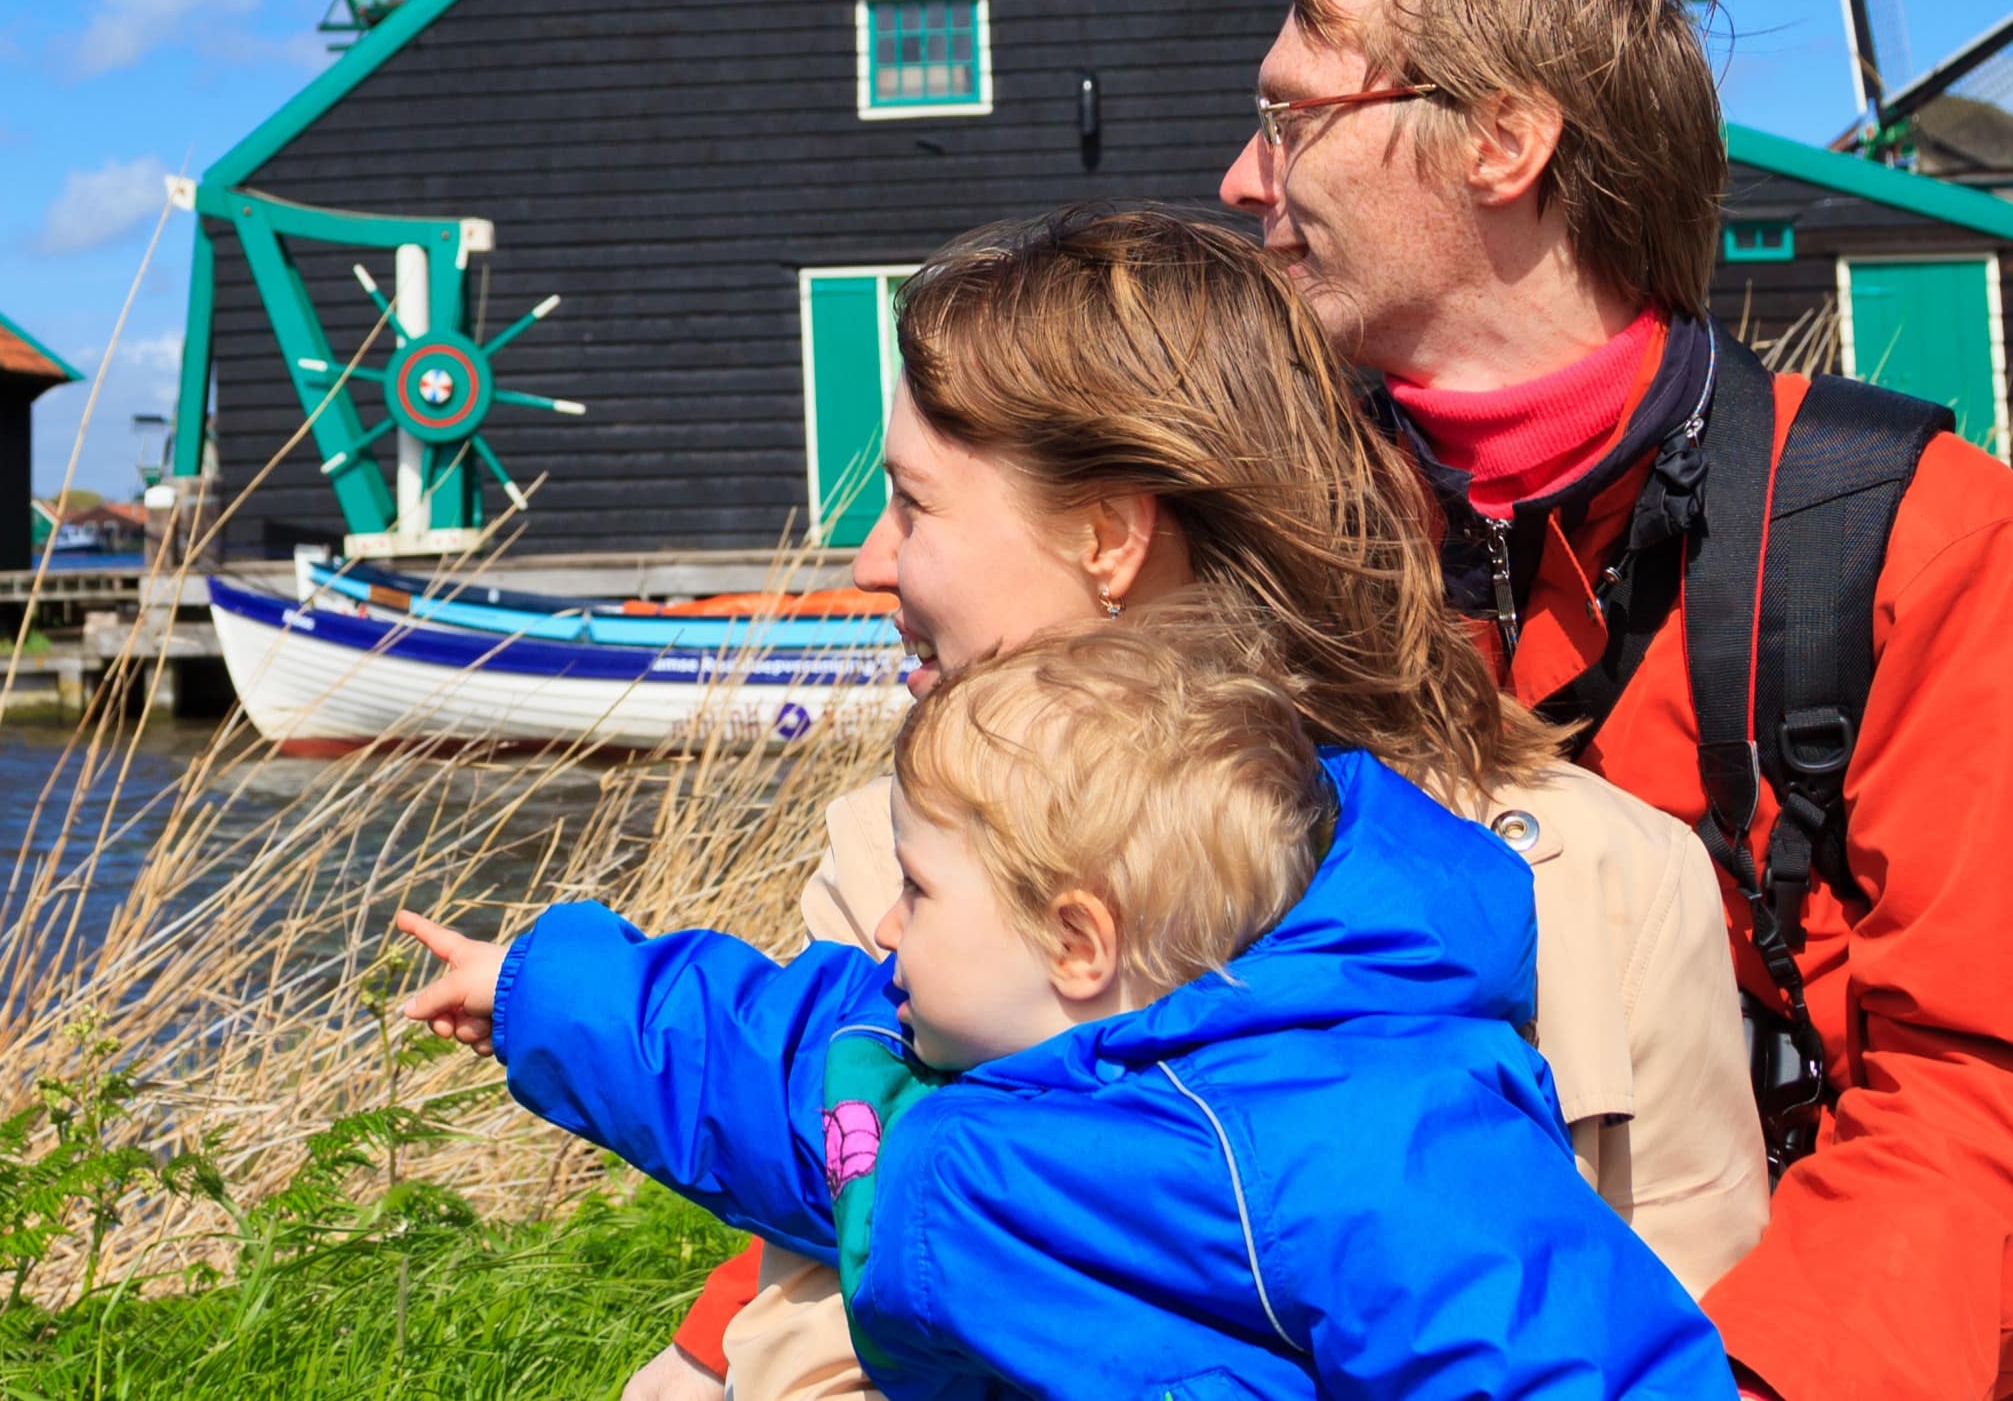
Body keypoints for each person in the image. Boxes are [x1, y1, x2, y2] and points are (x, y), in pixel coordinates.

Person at [1221, 0, 2013, 1401]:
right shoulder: (1294, 542)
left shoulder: (1912, 551)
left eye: (1291, 113)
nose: (1240, 173)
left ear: (1499, 139)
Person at [655, 212, 1764, 1401]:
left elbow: (1694, 1327)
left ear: (1106, 534)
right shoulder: (890, 875)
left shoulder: (1604, 881)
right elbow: (818, 1349)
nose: (870, 559)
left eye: (914, 505)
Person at [399, 618, 1736, 1401]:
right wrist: (531, 986)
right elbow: (744, 1055)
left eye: (920, 890)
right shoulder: (912, 1065)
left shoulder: (1349, 1138)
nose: (881, 923)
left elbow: (1563, 1360)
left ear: (1077, 939)